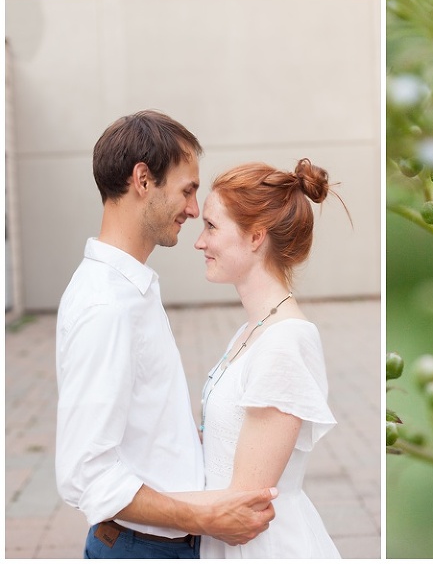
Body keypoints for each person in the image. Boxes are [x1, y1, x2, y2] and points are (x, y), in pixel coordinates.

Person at [55, 110, 277, 559]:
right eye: (188, 190)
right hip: (142, 549)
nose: (194, 210)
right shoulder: (108, 306)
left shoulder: (131, 289)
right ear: (142, 179)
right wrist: (206, 519)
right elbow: (88, 474)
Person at [174, 158, 343, 558]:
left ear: (255, 237)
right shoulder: (251, 331)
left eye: (212, 226)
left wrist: (131, 502)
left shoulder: (285, 341)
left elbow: (246, 501)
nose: (199, 242)